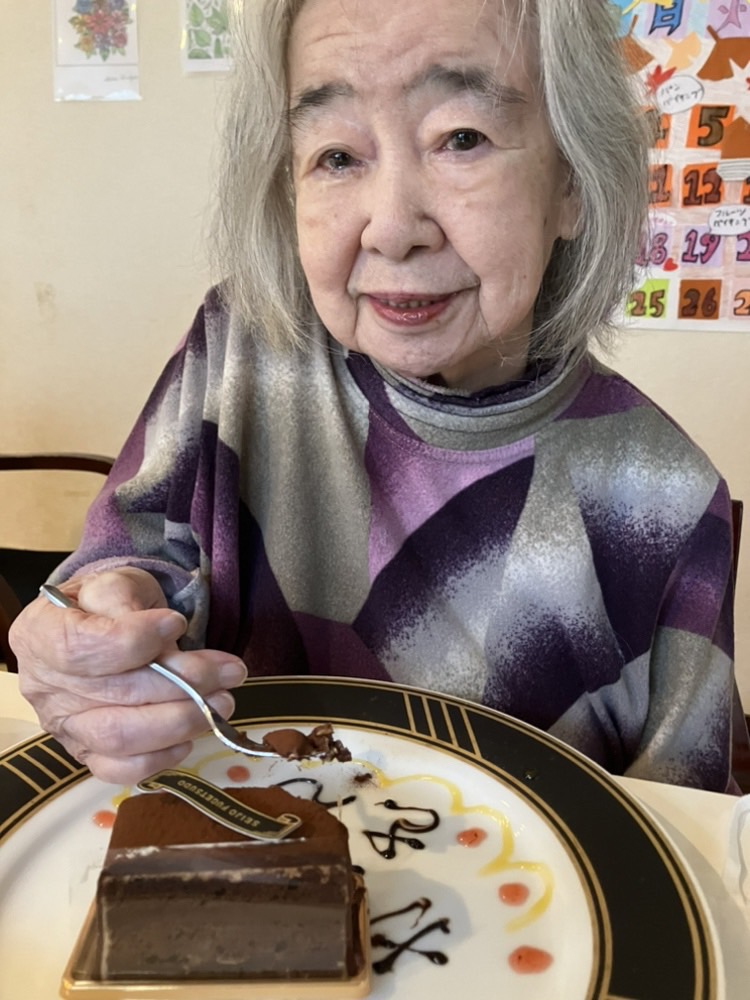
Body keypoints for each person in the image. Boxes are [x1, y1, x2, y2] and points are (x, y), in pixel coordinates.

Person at [10, 0, 744, 792]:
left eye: (461, 138)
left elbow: (684, 828)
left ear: (571, 179)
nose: (393, 228)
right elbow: (130, 562)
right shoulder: (244, 350)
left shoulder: (666, 499)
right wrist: (90, 638)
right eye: (336, 155)